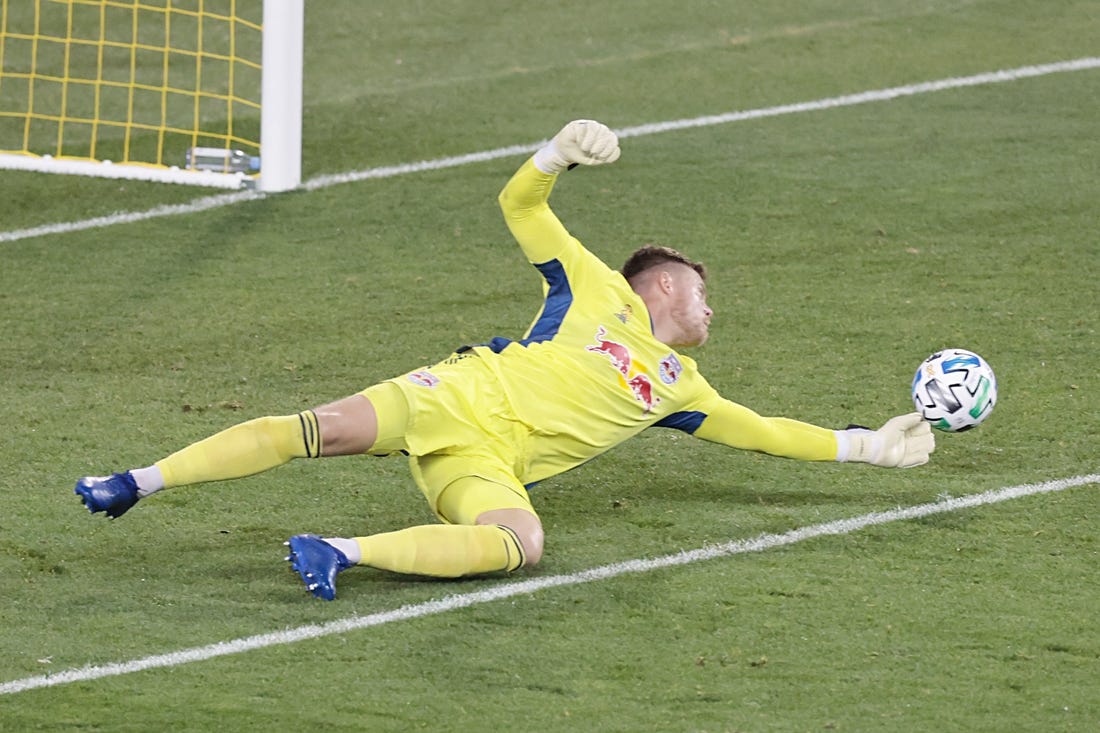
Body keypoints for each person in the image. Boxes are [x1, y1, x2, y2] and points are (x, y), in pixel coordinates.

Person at [75, 120, 934, 600]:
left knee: (521, 540)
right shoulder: (596, 288)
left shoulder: (682, 387)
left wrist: (871, 446)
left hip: (485, 461)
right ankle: (137, 480)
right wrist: (555, 153)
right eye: (705, 294)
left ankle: (339, 549)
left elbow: (768, 433)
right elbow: (521, 204)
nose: (713, 311)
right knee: (316, 428)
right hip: (451, 395)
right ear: (666, 285)